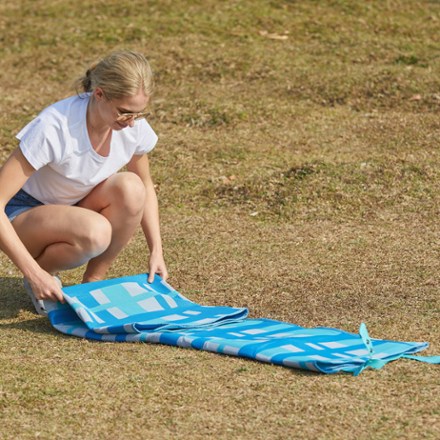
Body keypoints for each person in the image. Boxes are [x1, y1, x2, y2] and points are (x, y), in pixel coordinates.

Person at [0, 50, 168, 316]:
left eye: (139, 113)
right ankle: (44, 274)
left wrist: (156, 250)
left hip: (75, 206)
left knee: (132, 187)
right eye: (124, 112)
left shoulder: (132, 125)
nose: (131, 122)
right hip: (23, 215)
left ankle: (92, 286)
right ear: (99, 94)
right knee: (96, 231)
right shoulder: (54, 127)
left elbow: (146, 186)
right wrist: (34, 273)